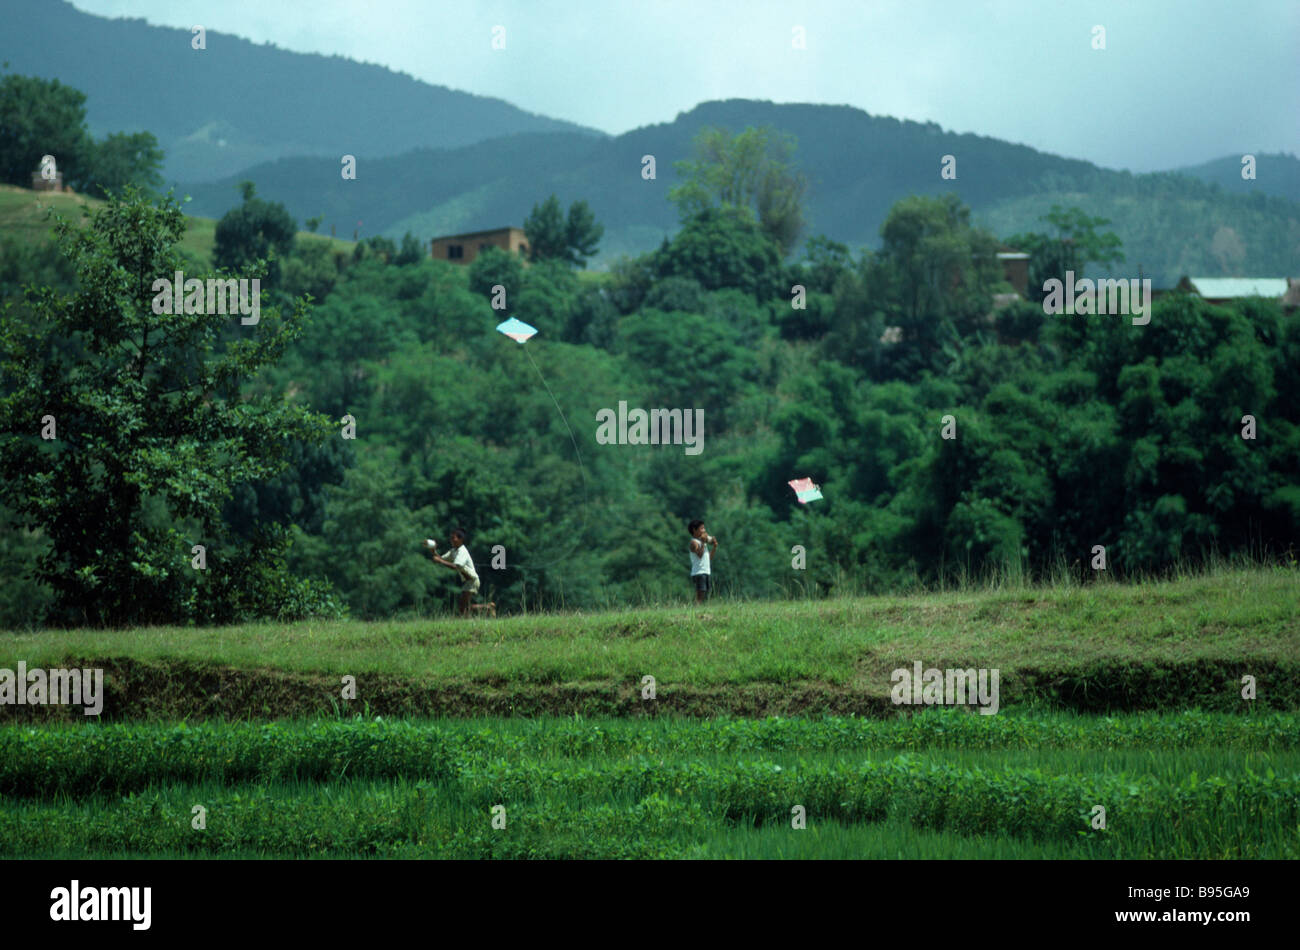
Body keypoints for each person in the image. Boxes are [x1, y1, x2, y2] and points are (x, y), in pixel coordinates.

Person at [428, 527, 495, 617]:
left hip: (472, 580)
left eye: (453, 538)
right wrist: (433, 551)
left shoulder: (462, 551)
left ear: (461, 539)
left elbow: (456, 566)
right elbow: (440, 558)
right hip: (468, 581)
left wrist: (440, 561)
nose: (451, 540)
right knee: (464, 607)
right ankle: (487, 608)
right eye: (451, 538)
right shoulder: (453, 551)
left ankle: (487, 608)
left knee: (462, 607)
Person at [687, 519, 718, 604]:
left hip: (705, 571)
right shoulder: (694, 542)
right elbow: (699, 555)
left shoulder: (702, 543)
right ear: (694, 530)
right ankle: (695, 609)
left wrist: (714, 547)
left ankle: (698, 609)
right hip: (699, 572)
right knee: (700, 594)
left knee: (705, 594)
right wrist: (703, 542)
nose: (704, 531)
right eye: (702, 528)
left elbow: (708, 559)